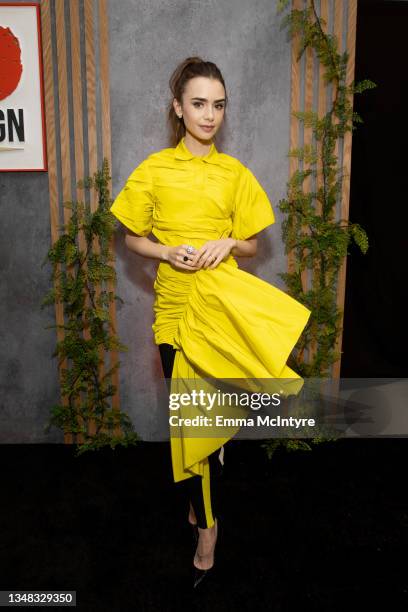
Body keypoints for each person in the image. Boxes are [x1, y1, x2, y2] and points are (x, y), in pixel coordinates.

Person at [110, 57, 311, 587]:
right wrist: (164, 252)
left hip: (219, 312)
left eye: (218, 105)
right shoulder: (154, 169)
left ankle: (208, 530)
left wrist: (229, 242)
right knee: (192, 426)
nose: (209, 115)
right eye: (199, 104)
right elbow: (131, 238)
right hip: (173, 314)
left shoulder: (234, 173)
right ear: (177, 108)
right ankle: (202, 507)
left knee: (206, 428)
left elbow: (253, 242)